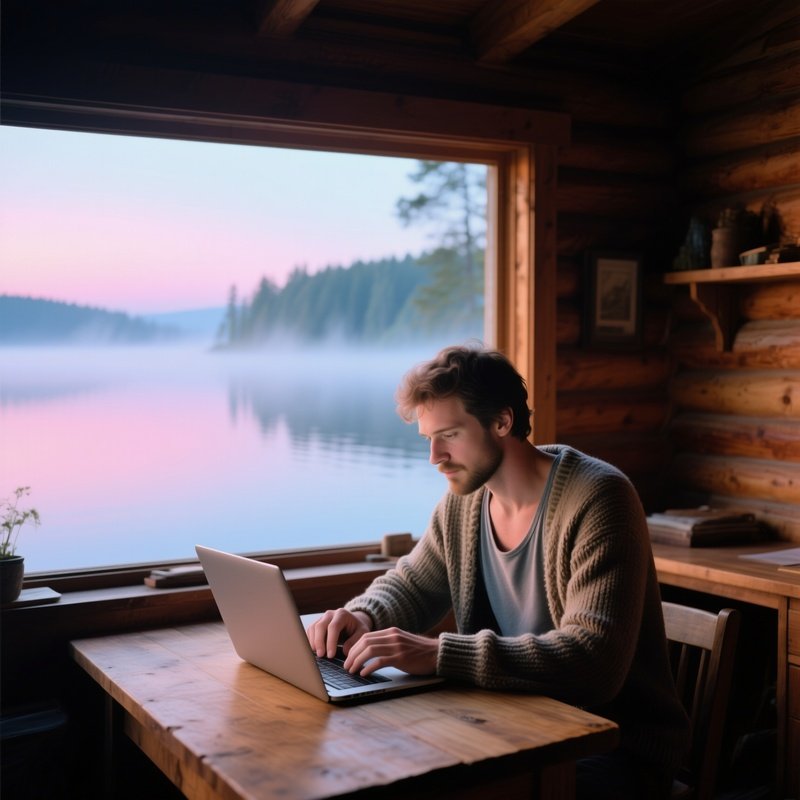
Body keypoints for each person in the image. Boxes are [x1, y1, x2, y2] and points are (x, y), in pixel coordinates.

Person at [307, 344, 689, 799]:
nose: (435, 456)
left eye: (448, 434)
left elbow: (595, 662)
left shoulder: (599, 498)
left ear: (503, 422)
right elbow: (412, 583)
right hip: (513, 726)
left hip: (613, 747)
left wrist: (439, 654)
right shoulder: (465, 501)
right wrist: (364, 616)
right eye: (428, 438)